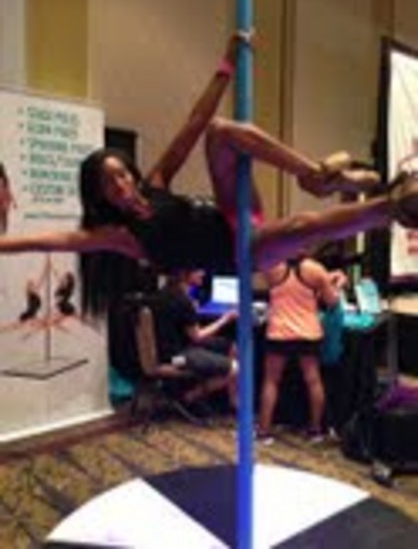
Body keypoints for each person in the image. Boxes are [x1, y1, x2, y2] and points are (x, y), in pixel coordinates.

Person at [0, 32, 416, 319]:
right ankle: (392, 206)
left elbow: (194, 122)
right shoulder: (120, 235)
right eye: (111, 184)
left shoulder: (155, 182)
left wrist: (227, 63)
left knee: (218, 131)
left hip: (232, 212)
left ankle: (315, 176)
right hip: (239, 252)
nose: (123, 185)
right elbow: (50, 239)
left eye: (123, 174)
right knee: (303, 225)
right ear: (101, 196)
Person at [256, 254, 347, 445]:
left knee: (271, 381)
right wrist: (335, 284)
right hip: (308, 333)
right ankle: (315, 431)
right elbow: (331, 301)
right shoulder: (315, 269)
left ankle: (263, 431)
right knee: (313, 381)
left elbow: (284, 288)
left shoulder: (271, 266)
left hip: (279, 332)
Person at [151, 269, 238, 411]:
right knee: (235, 369)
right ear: (184, 274)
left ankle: (233, 403)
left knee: (231, 347)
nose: (203, 273)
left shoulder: (166, 293)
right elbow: (197, 336)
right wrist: (225, 319)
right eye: (198, 270)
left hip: (167, 350)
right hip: (175, 358)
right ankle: (188, 398)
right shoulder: (182, 300)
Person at [0, 163, 16, 234]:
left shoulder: (5, 178)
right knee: (2, 216)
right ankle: (3, 232)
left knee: (4, 216)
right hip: (3, 198)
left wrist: (14, 201)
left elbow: (8, 190)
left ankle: (4, 232)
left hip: (4, 198)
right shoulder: (5, 178)